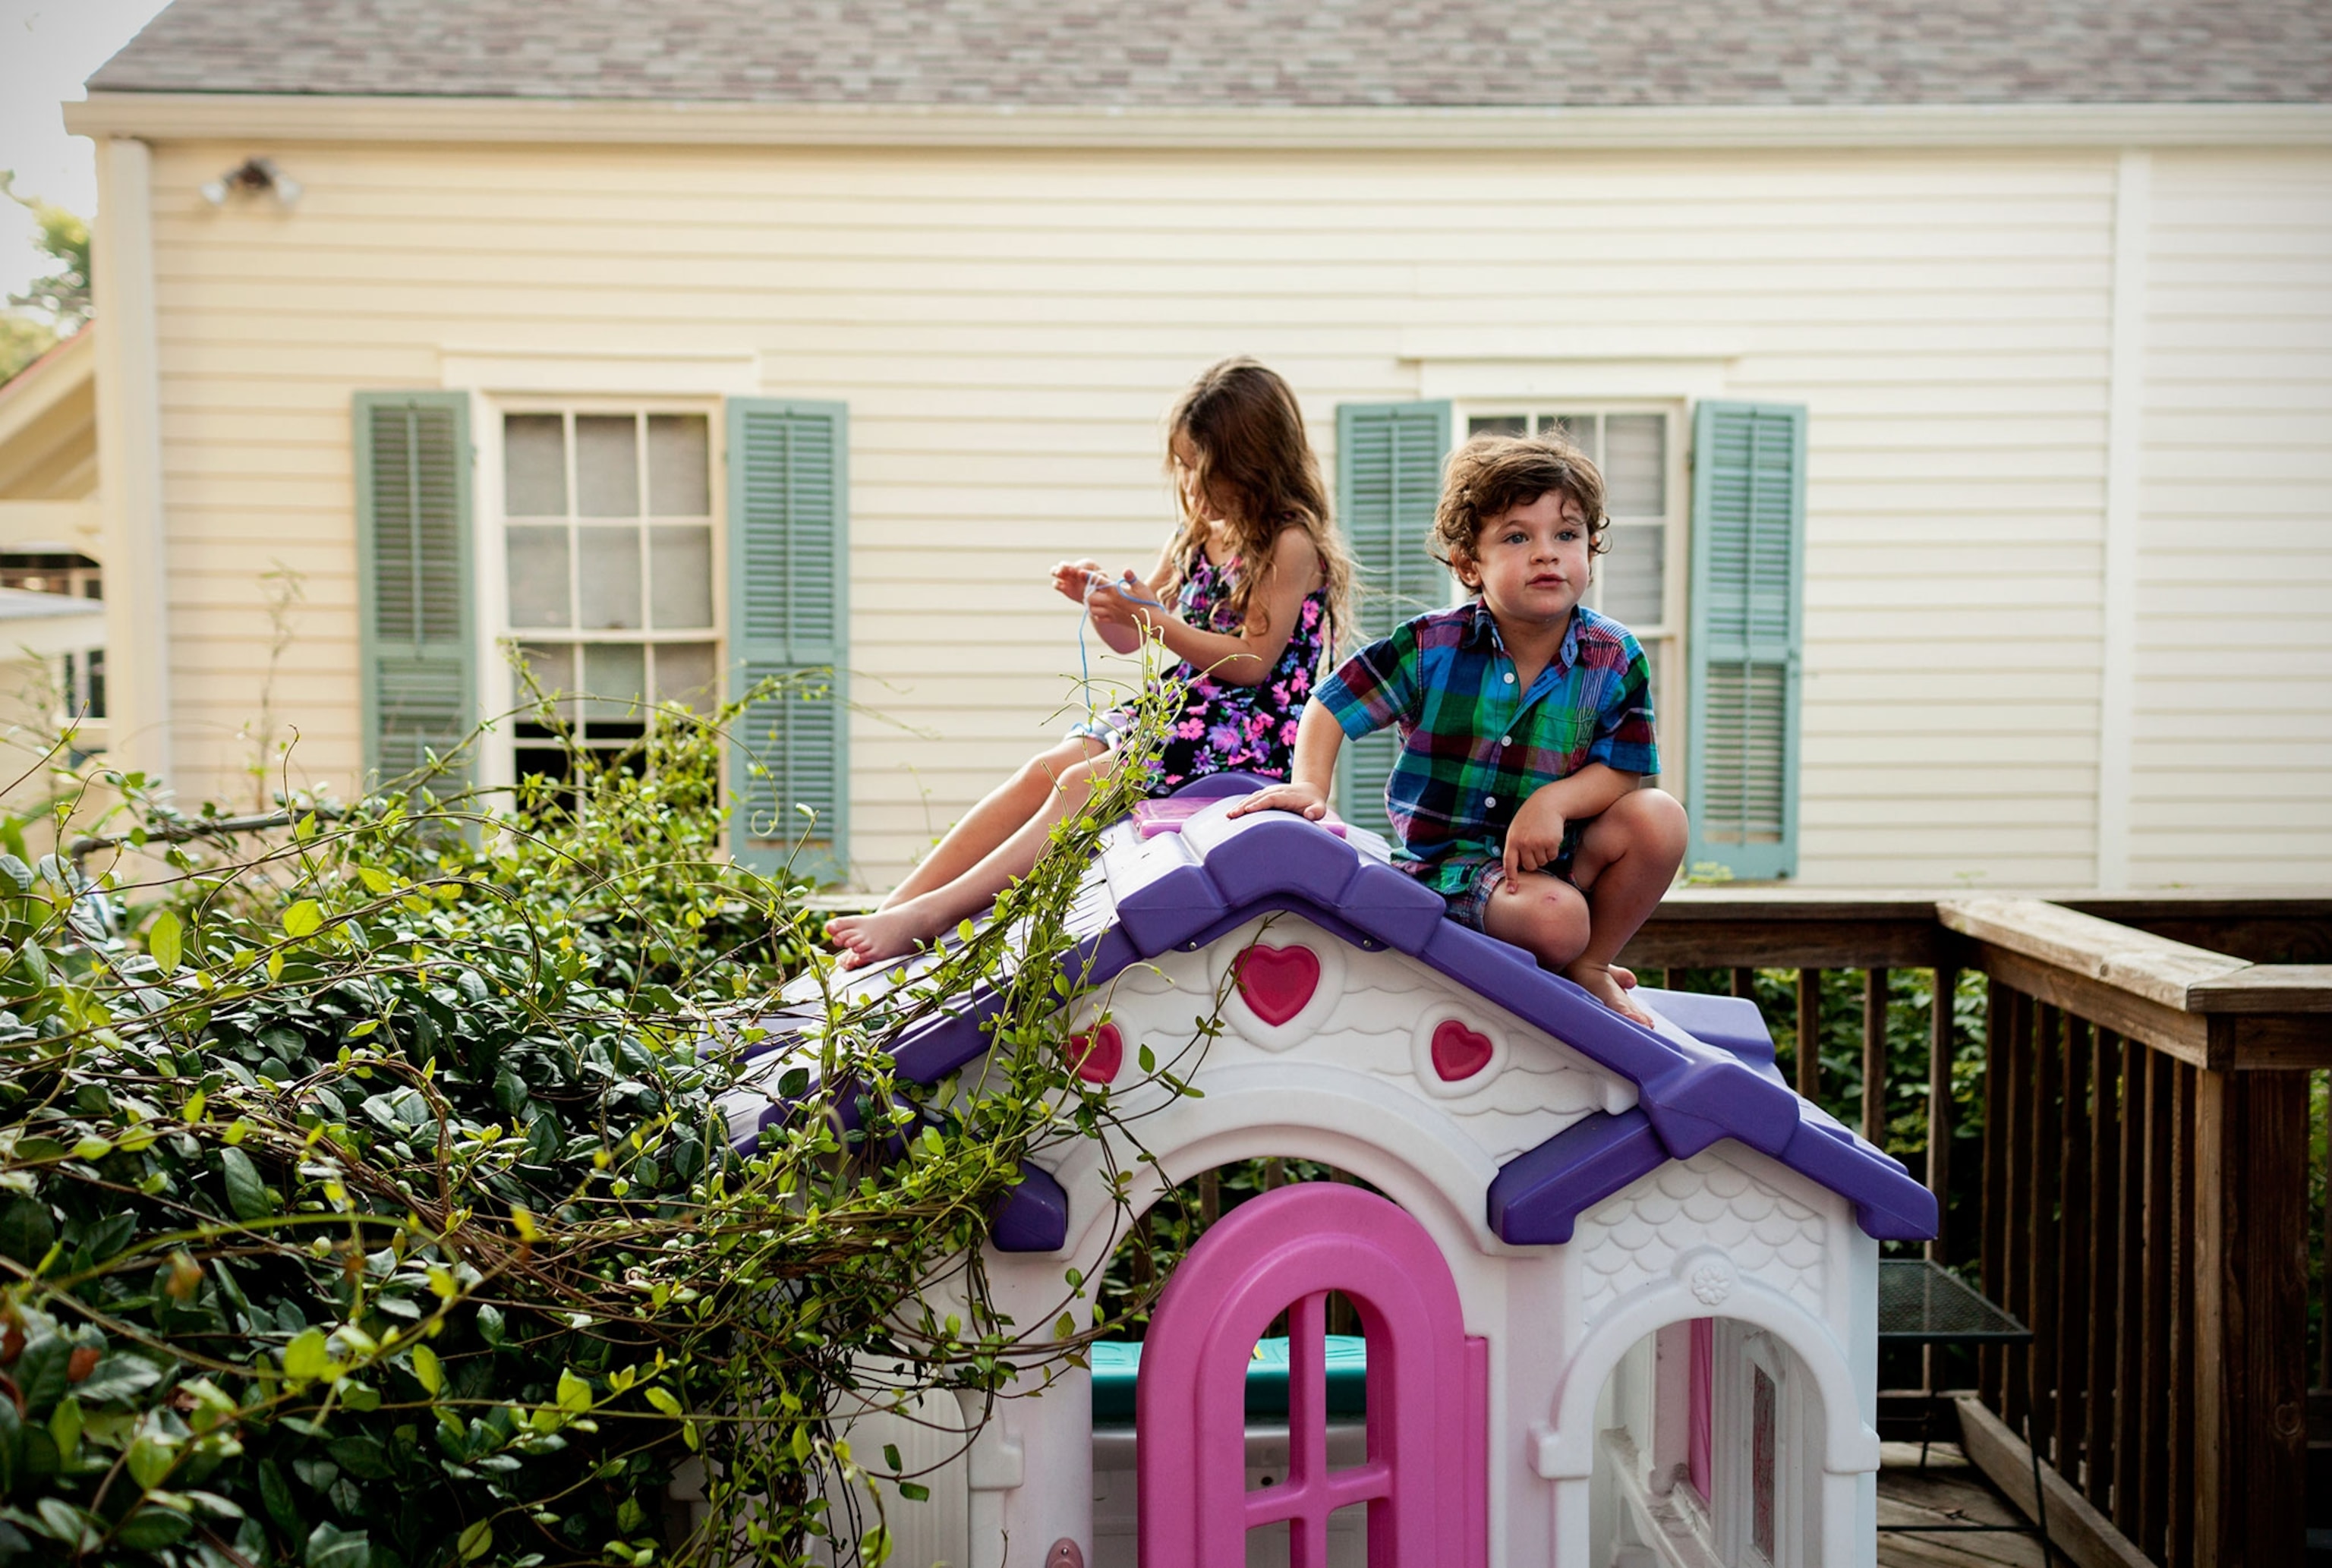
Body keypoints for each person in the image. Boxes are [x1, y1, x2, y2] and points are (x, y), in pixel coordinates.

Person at [826, 358, 1350, 968]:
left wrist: (1151, 617)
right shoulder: (1194, 537)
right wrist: (1107, 605)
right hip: (1178, 717)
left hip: (1244, 737)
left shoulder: (1289, 543)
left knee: (1082, 783)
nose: (1189, 486)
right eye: (1182, 467)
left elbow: (1252, 661)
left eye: (1203, 470)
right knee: (1044, 771)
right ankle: (898, 904)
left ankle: (931, 915)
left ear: (1252, 465)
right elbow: (1134, 638)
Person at [1228, 433, 1687, 1025]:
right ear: (1471, 564)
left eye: (1567, 535)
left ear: (1590, 554)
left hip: (1560, 858)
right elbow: (1332, 703)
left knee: (1660, 817)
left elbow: (1625, 769)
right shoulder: (1432, 645)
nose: (1546, 554)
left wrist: (1553, 802)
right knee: (1559, 920)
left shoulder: (1614, 654)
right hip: (1450, 868)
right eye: (1518, 537)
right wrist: (1311, 786)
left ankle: (1591, 964)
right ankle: (1555, 945)